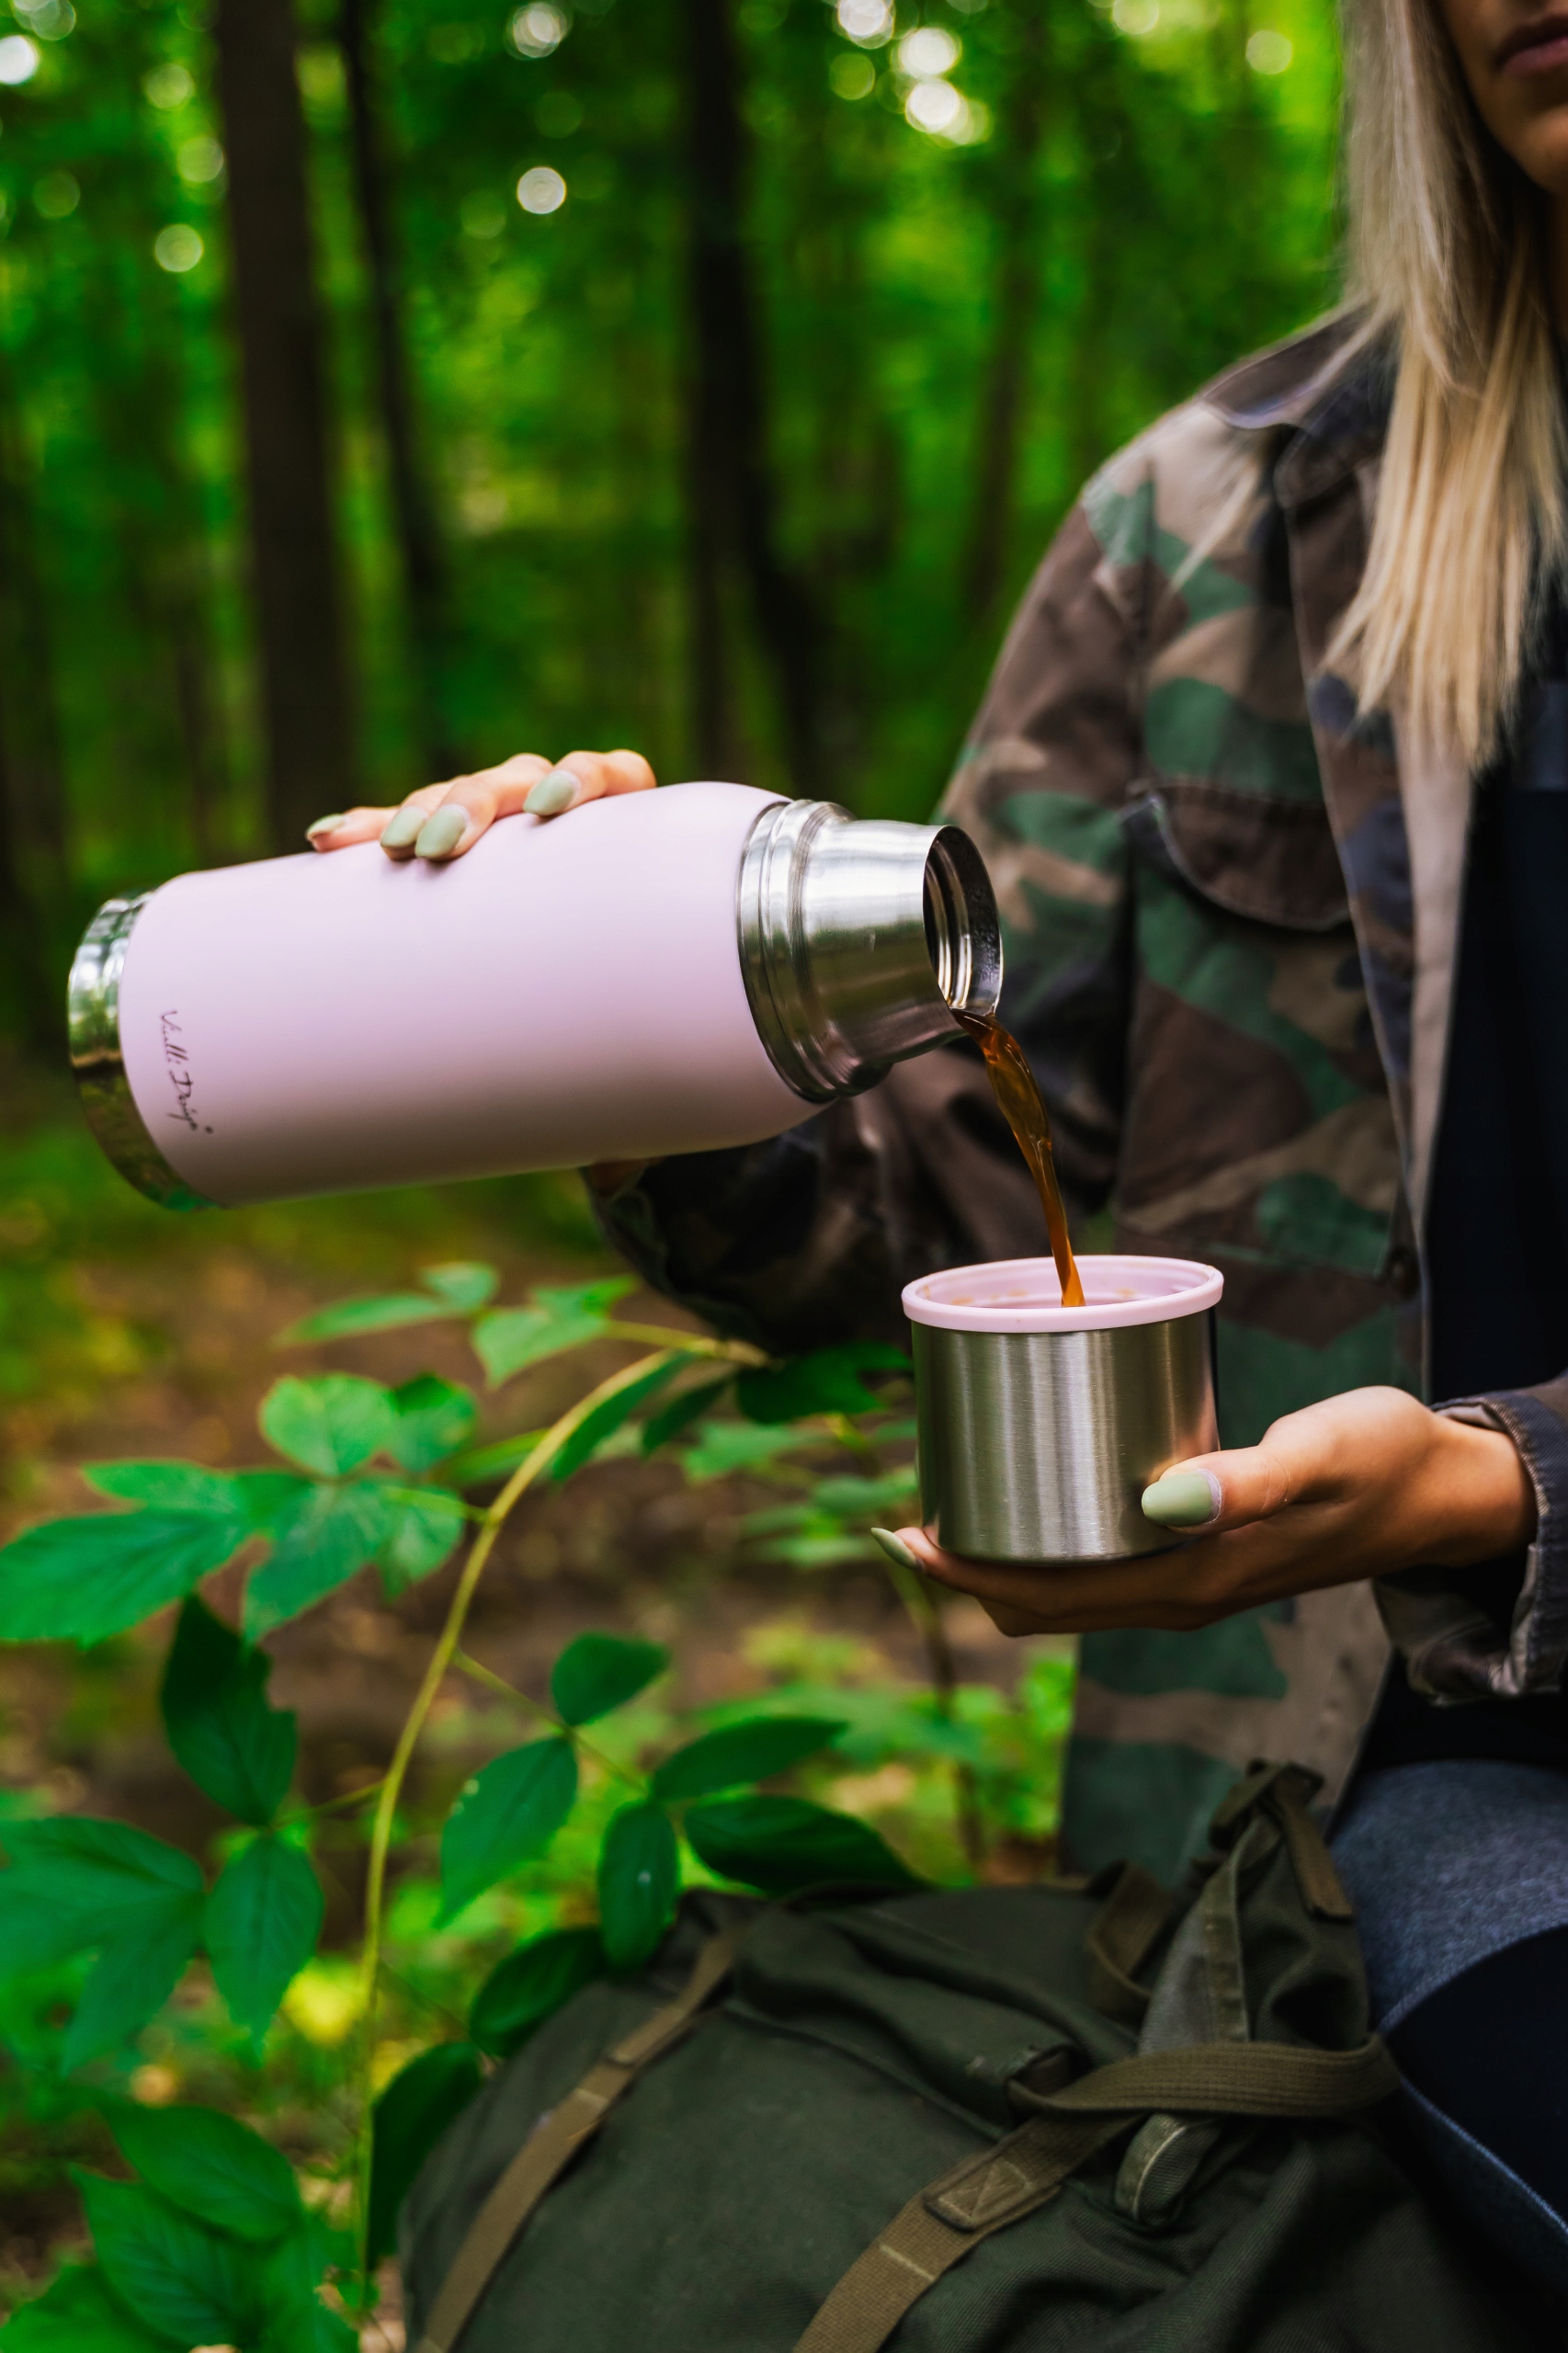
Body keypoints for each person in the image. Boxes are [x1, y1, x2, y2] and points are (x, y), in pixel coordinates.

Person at [308, 0, 1568, 2294]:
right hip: (1394, 1784)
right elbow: (955, 1207)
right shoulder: (1218, 531)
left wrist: (1505, 1486)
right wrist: (640, 999)